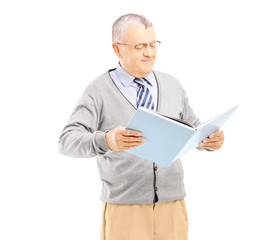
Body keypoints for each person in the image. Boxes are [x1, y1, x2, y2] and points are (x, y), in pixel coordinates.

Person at [58, 13, 225, 240]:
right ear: (117, 49)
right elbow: (67, 140)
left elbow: (192, 128)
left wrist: (210, 140)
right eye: (139, 46)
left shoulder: (172, 84)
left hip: (172, 205)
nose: (149, 52)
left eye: (152, 44)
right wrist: (106, 140)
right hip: (125, 208)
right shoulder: (98, 91)